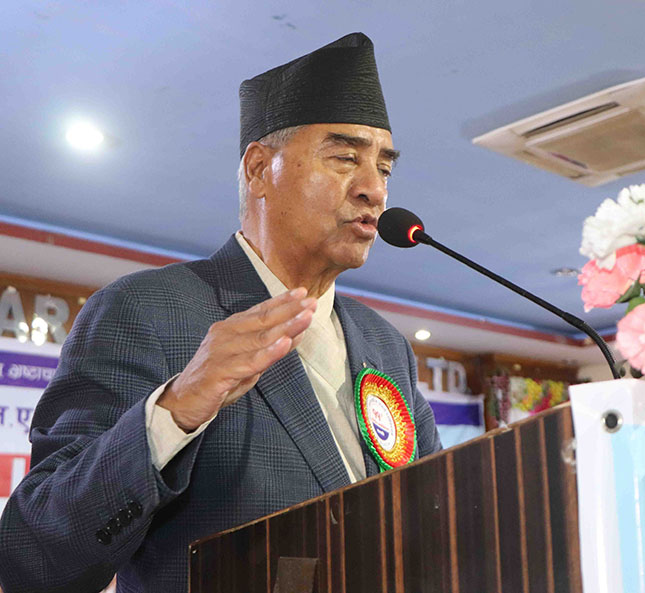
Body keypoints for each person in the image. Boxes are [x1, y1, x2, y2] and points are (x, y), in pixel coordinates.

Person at [0, 32, 441, 593]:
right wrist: (175, 411)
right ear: (258, 169)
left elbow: (437, 511)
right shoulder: (146, 311)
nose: (374, 190)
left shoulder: (383, 343)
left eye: (384, 168)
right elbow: (34, 557)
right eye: (345, 158)